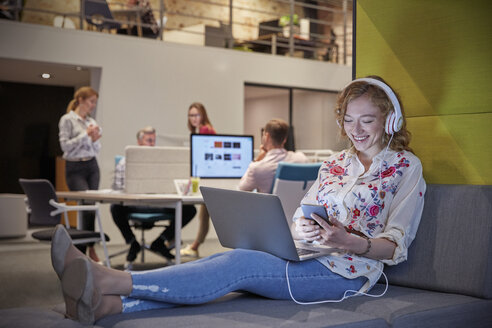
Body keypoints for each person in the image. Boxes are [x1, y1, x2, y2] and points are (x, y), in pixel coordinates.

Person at [51, 76, 426, 325]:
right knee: (225, 263)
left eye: (368, 120)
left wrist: (350, 241)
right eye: (349, 120)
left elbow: (396, 245)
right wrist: (301, 228)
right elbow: (302, 214)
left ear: (389, 121)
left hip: (345, 272)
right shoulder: (335, 163)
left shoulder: (405, 167)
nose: (355, 130)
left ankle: (110, 279)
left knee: (237, 265)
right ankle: (107, 306)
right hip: (303, 251)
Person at [110, 126, 197, 267]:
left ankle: (160, 242)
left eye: (153, 141)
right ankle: (133, 243)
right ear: (139, 142)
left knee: (190, 210)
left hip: (159, 204)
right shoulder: (124, 163)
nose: (151, 144)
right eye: (148, 140)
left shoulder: (162, 163)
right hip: (135, 204)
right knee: (115, 208)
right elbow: (117, 189)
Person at [58, 86, 102, 263]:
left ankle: (89, 248)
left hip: (91, 166)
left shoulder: (91, 121)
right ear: (81, 100)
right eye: (91, 101)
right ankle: (82, 252)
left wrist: (95, 140)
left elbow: (96, 149)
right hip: (74, 167)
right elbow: (65, 146)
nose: (93, 105)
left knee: (91, 207)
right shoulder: (67, 120)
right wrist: (85, 135)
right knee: (83, 207)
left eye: (94, 102)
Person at [181, 102, 216, 258]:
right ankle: (195, 246)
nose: (193, 118)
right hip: (207, 176)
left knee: (204, 215)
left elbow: (204, 157)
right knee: (204, 214)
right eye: (191, 115)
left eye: (196, 115)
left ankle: (194, 246)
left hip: (209, 177)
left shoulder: (205, 130)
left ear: (203, 115)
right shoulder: (202, 129)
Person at [238, 118, 309, 193]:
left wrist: (257, 159)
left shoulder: (257, 168)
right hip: (296, 205)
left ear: (267, 136)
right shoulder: (302, 159)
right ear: (285, 139)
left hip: (270, 205)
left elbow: (241, 190)